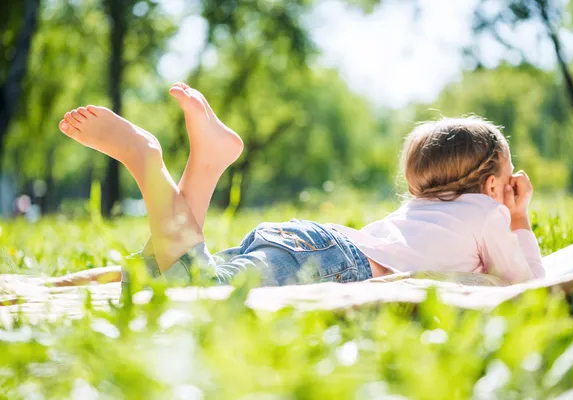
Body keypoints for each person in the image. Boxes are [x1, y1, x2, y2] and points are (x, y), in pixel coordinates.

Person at [56, 82, 543, 288]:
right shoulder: (488, 213)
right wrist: (517, 218)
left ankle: (207, 163)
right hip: (333, 261)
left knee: (154, 278)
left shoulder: (415, 213)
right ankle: (146, 160)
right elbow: (530, 285)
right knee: (194, 285)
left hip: (313, 242)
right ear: (496, 182)